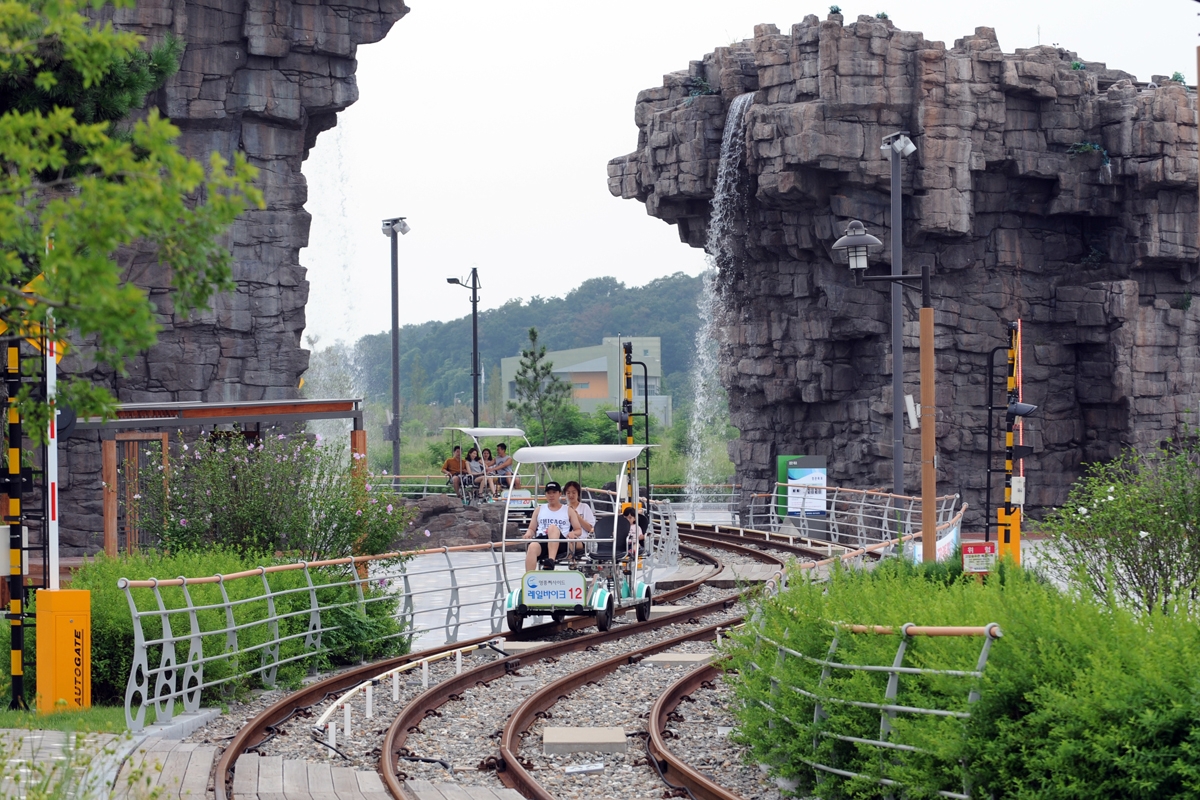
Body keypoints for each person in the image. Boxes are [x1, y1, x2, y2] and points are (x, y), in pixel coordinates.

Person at [521, 481, 582, 571]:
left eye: (554, 492)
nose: (551, 495)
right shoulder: (539, 509)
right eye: (549, 493)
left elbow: (578, 530)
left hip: (561, 542)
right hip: (543, 540)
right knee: (532, 546)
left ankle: (550, 561)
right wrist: (528, 533)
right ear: (545, 494)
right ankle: (529, 579)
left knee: (552, 528)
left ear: (560, 494)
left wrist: (573, 533)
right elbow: (531, 528)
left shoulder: (568, 510)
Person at [563, 481, 595, 558]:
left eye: (574, 493)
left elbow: (589, 528)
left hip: (581, 540)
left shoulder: (584, 507)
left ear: (578, 493)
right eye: (568, 493)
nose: (571, 495)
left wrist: (577, 516)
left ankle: (571, 563)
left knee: (571, 541)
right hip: (564, 538)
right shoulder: (563, 509)